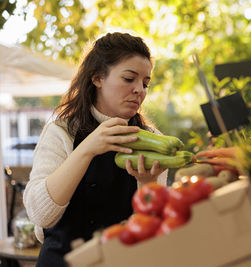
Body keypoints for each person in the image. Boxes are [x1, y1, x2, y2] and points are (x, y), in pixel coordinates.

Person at [23, 32, 167, 266]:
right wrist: (87, 149)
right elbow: (41, 216)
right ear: (98, 78)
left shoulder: (154, 140)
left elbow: (156, 232)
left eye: (145, 83)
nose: (140, 90)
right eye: (129, 79)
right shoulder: (61, 132)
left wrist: (148, 185)